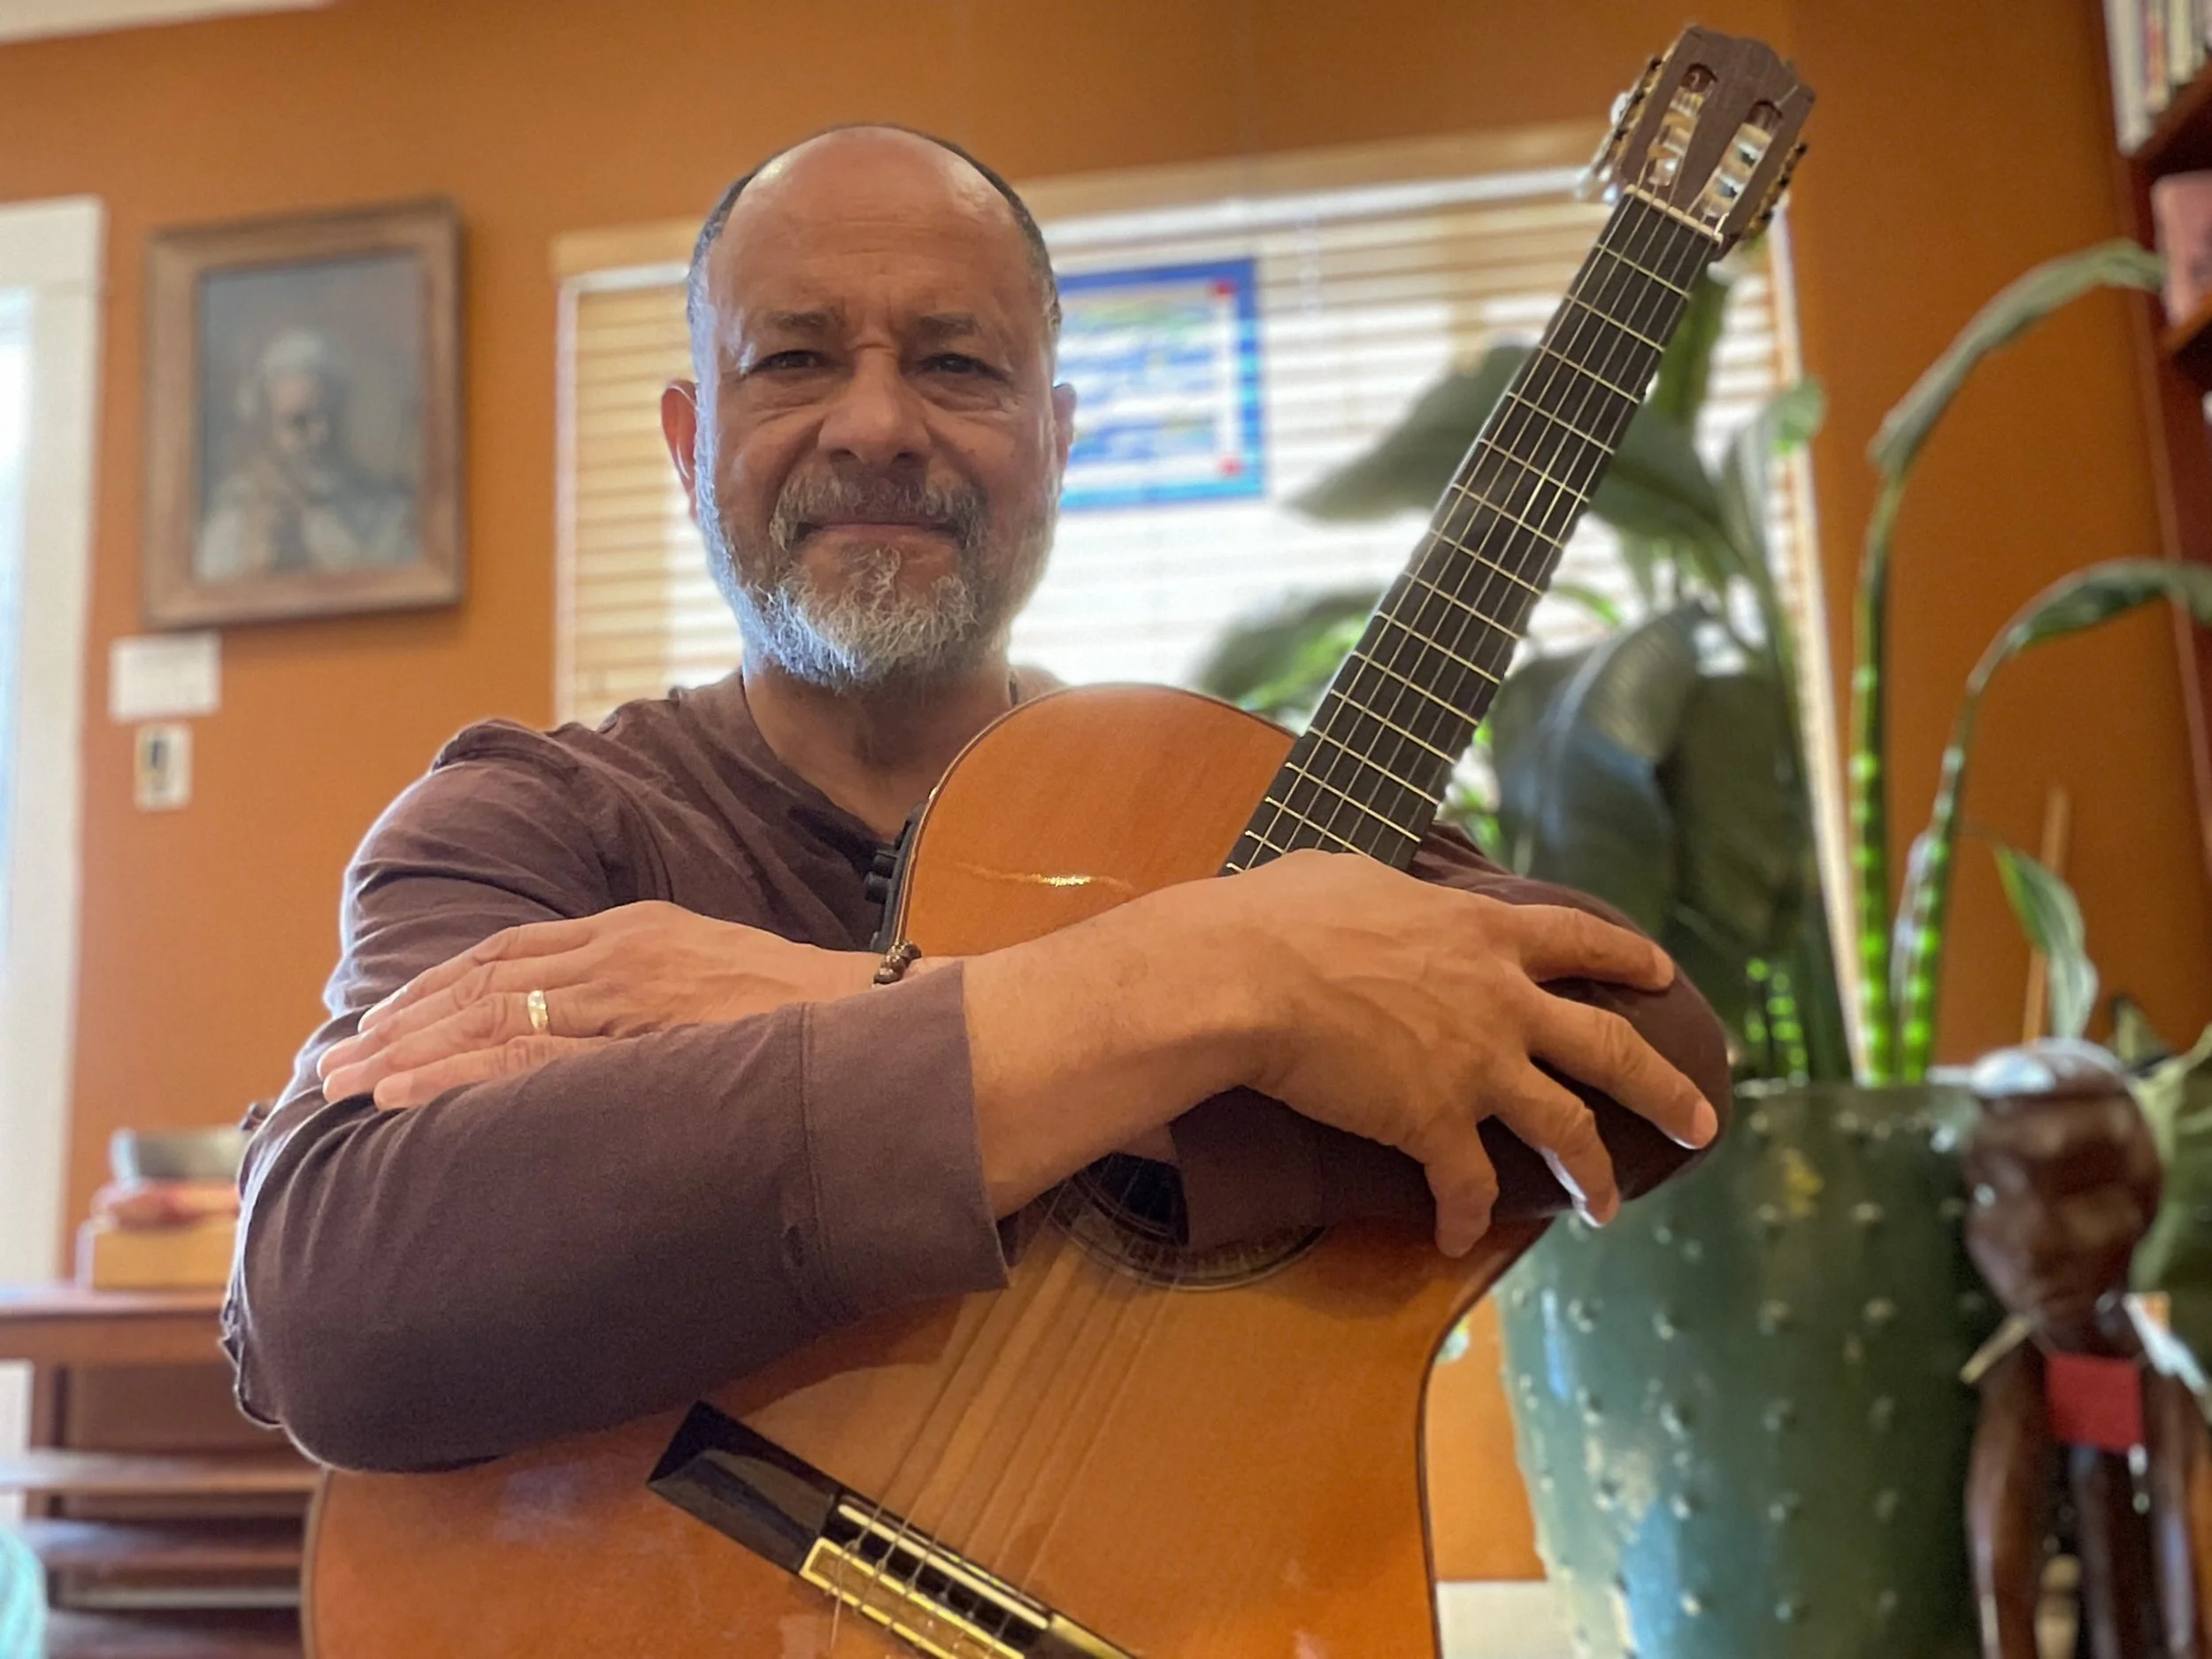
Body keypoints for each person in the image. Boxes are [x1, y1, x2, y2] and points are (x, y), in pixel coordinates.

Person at [223, 126, 1732, 1475]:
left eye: (956, 364)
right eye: (796, 360)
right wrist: (1233, 983)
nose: (876, 424)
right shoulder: (524, 826)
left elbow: (1654, 1064)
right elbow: (336, 1301)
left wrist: (826, 998)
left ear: (1058, 446)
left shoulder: (1222, 805)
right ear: (691, 450)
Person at [195, 327, 414, 582]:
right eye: (299, 422)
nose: (320, 435)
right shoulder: (234, 517)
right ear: (267, 429)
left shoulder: (385, 512)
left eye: (329, 415)